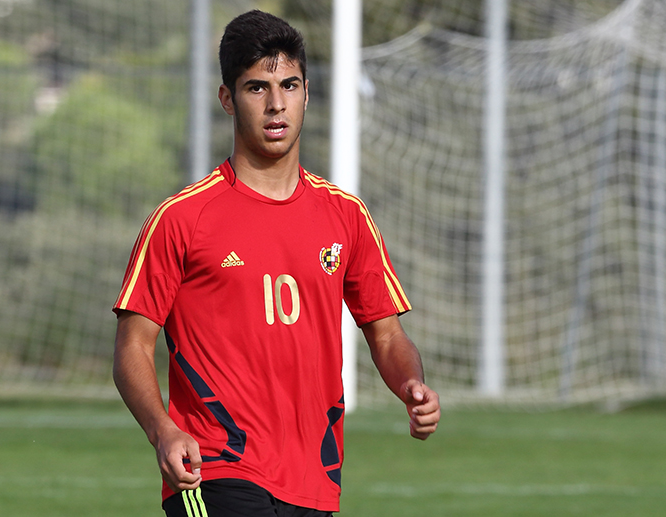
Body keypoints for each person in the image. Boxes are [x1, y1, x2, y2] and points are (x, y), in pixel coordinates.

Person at [112, 9, 440, 516]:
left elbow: (388, 335)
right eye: (256, 88)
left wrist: (410, 385)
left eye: (289, 85)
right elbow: (134, 345)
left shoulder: (345, 216)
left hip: (315, 477)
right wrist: (164, 430)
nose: (276, 104)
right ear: (227, 98)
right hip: (214, 469)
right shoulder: (181, 219)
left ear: (307, 92)